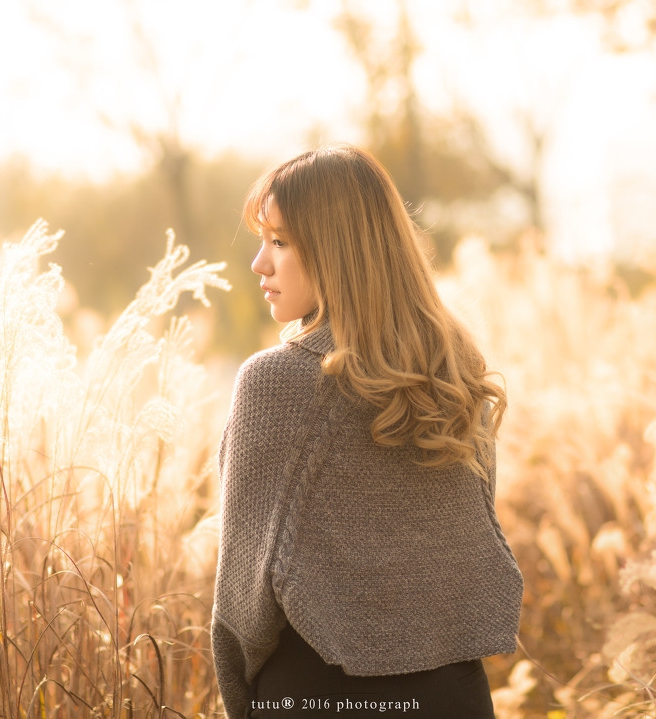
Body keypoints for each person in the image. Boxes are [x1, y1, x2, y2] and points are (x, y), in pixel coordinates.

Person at [212, 144, 523, 719]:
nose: (260, 262)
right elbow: (458, 563)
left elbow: (243, 609)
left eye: (279, 242)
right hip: (455, 696)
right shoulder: (455, 375)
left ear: (336, 251)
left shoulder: (277, 383)